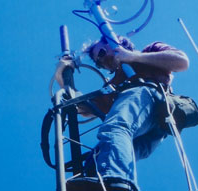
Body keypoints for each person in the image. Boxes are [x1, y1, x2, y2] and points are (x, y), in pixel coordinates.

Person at [55, 35, 189, 191]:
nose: (102, 61)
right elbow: (85, 108)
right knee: (97, 156)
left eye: (102, 53)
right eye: (98, 63)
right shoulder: (114, 85)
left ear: (115, 42)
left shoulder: (148, 52)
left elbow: (181, 61)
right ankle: (107, 182)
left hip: (151, 98)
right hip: (148, 128)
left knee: (115, 128)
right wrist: (62, 79)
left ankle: (116, 183)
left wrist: (133, 56)